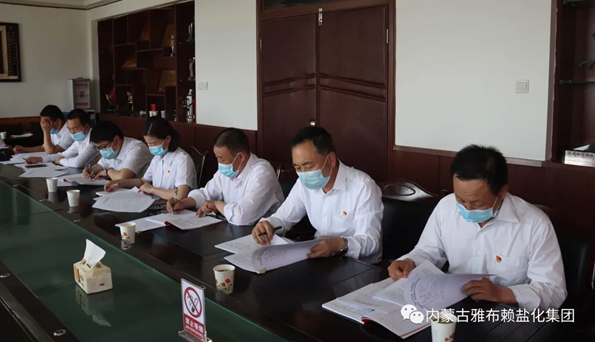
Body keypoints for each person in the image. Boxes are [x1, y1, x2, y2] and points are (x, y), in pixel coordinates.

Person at [388, 145, 567, 310]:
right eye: (460, 199)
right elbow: (427, 252)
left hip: (505, 314)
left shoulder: (535, 225)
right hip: (453, 305)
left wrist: (502, 293)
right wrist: (410, 262)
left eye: (477, 202)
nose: (467, 208)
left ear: (502, 193)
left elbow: (553, 291)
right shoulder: (446, 207)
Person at [252, 126, 383, 262]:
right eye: (298, 167)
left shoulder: (363, 187)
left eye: (309, 166)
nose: (303, 173)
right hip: (321, 259)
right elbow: (284, 217)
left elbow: (371, 242)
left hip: (358, 264)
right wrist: (268, 224)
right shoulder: (303, 183)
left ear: (331, 159)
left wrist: (339, 244)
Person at [166, 128, 283, 226]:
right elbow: (206, 193)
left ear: (241, 157)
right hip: (234, 230)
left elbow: (242, 217)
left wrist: (217, 204)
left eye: (221, 159)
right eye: (217, 157)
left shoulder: (262, 173)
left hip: (263, 236)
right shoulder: (229, 169)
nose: (219, 163)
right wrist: (182, 203)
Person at [104, 117, 196, 200]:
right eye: (148, 143)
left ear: (167, 139)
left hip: (177, 207)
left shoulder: (182, 160)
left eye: (153, 143)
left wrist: (152, 189)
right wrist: (118, 183)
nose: (151, 147)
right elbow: (142, 181)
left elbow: (180, 195)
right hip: (157, 203)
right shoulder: (157, 157)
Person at [24, 109, 99, 168]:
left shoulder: (95, 139)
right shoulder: (79, 139)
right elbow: (64, 154)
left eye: (75, 128)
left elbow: (77, 163)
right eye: (69, 129)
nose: (72, 132)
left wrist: (61, 161)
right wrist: (39, 159)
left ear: (86, 126)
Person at [83, 121, 152, 180]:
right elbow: (101, 165)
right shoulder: (111, 150)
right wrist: (90, 170)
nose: (102, 150)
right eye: (98, 148)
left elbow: (123, 178)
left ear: (116, 139)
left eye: (103, 147)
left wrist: (107, 172)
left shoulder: (137, 148)